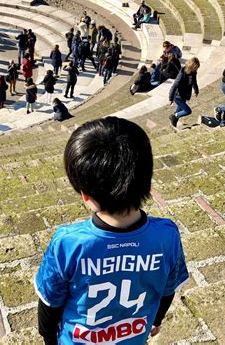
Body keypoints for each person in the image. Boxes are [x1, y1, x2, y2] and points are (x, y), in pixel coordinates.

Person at [35, 116, 188, 345]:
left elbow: (49, 304)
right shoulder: (167, 235)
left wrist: (49, 339)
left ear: (85, 195)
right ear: (146, 182)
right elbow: (168, 290)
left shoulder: (68, 243)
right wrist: (156, 320)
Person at [168, 57, 200, 128]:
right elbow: (174, 86)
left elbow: (194, 81)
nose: (196, 69)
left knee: (178, 111)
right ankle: (173, 116)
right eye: (196, 67)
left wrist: (196, 90)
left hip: (185, 95)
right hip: (178, 96)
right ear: (191, 66)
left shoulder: (193, 72)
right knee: (187, 111)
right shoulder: (182, 74)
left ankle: (174, 122)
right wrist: (170, 98)